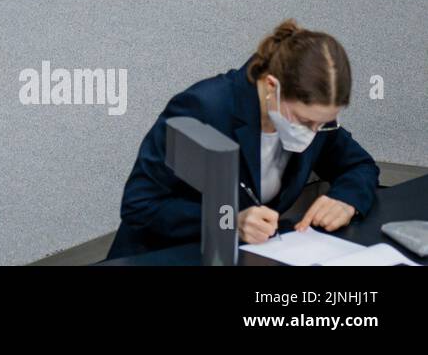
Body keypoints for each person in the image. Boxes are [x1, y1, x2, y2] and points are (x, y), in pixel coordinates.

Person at [107, 19, 379, 258]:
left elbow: (360, 165)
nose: (314, 131)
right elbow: (140, 206)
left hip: (241, 256)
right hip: (164, 255)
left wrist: (346, 199)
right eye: (306, 121)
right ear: (273, 87)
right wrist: (230, 221)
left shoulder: (315, 122)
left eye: (324, 122)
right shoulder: (203, 109)